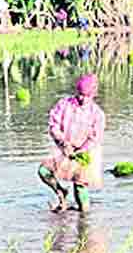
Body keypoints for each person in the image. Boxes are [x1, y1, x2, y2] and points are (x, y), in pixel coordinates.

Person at [38, 74, 106, 212]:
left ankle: (84, 217)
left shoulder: (97, 113)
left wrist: (80, 150)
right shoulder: (64, 105)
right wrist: (63, 143)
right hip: (65, 149)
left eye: (86, 96)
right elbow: (53, 125)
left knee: (80, 186)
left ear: (93, 94)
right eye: (80, 94)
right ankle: (61, 191)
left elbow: (95, 138)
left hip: (84, 153)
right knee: (43, 171)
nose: (82, 98)